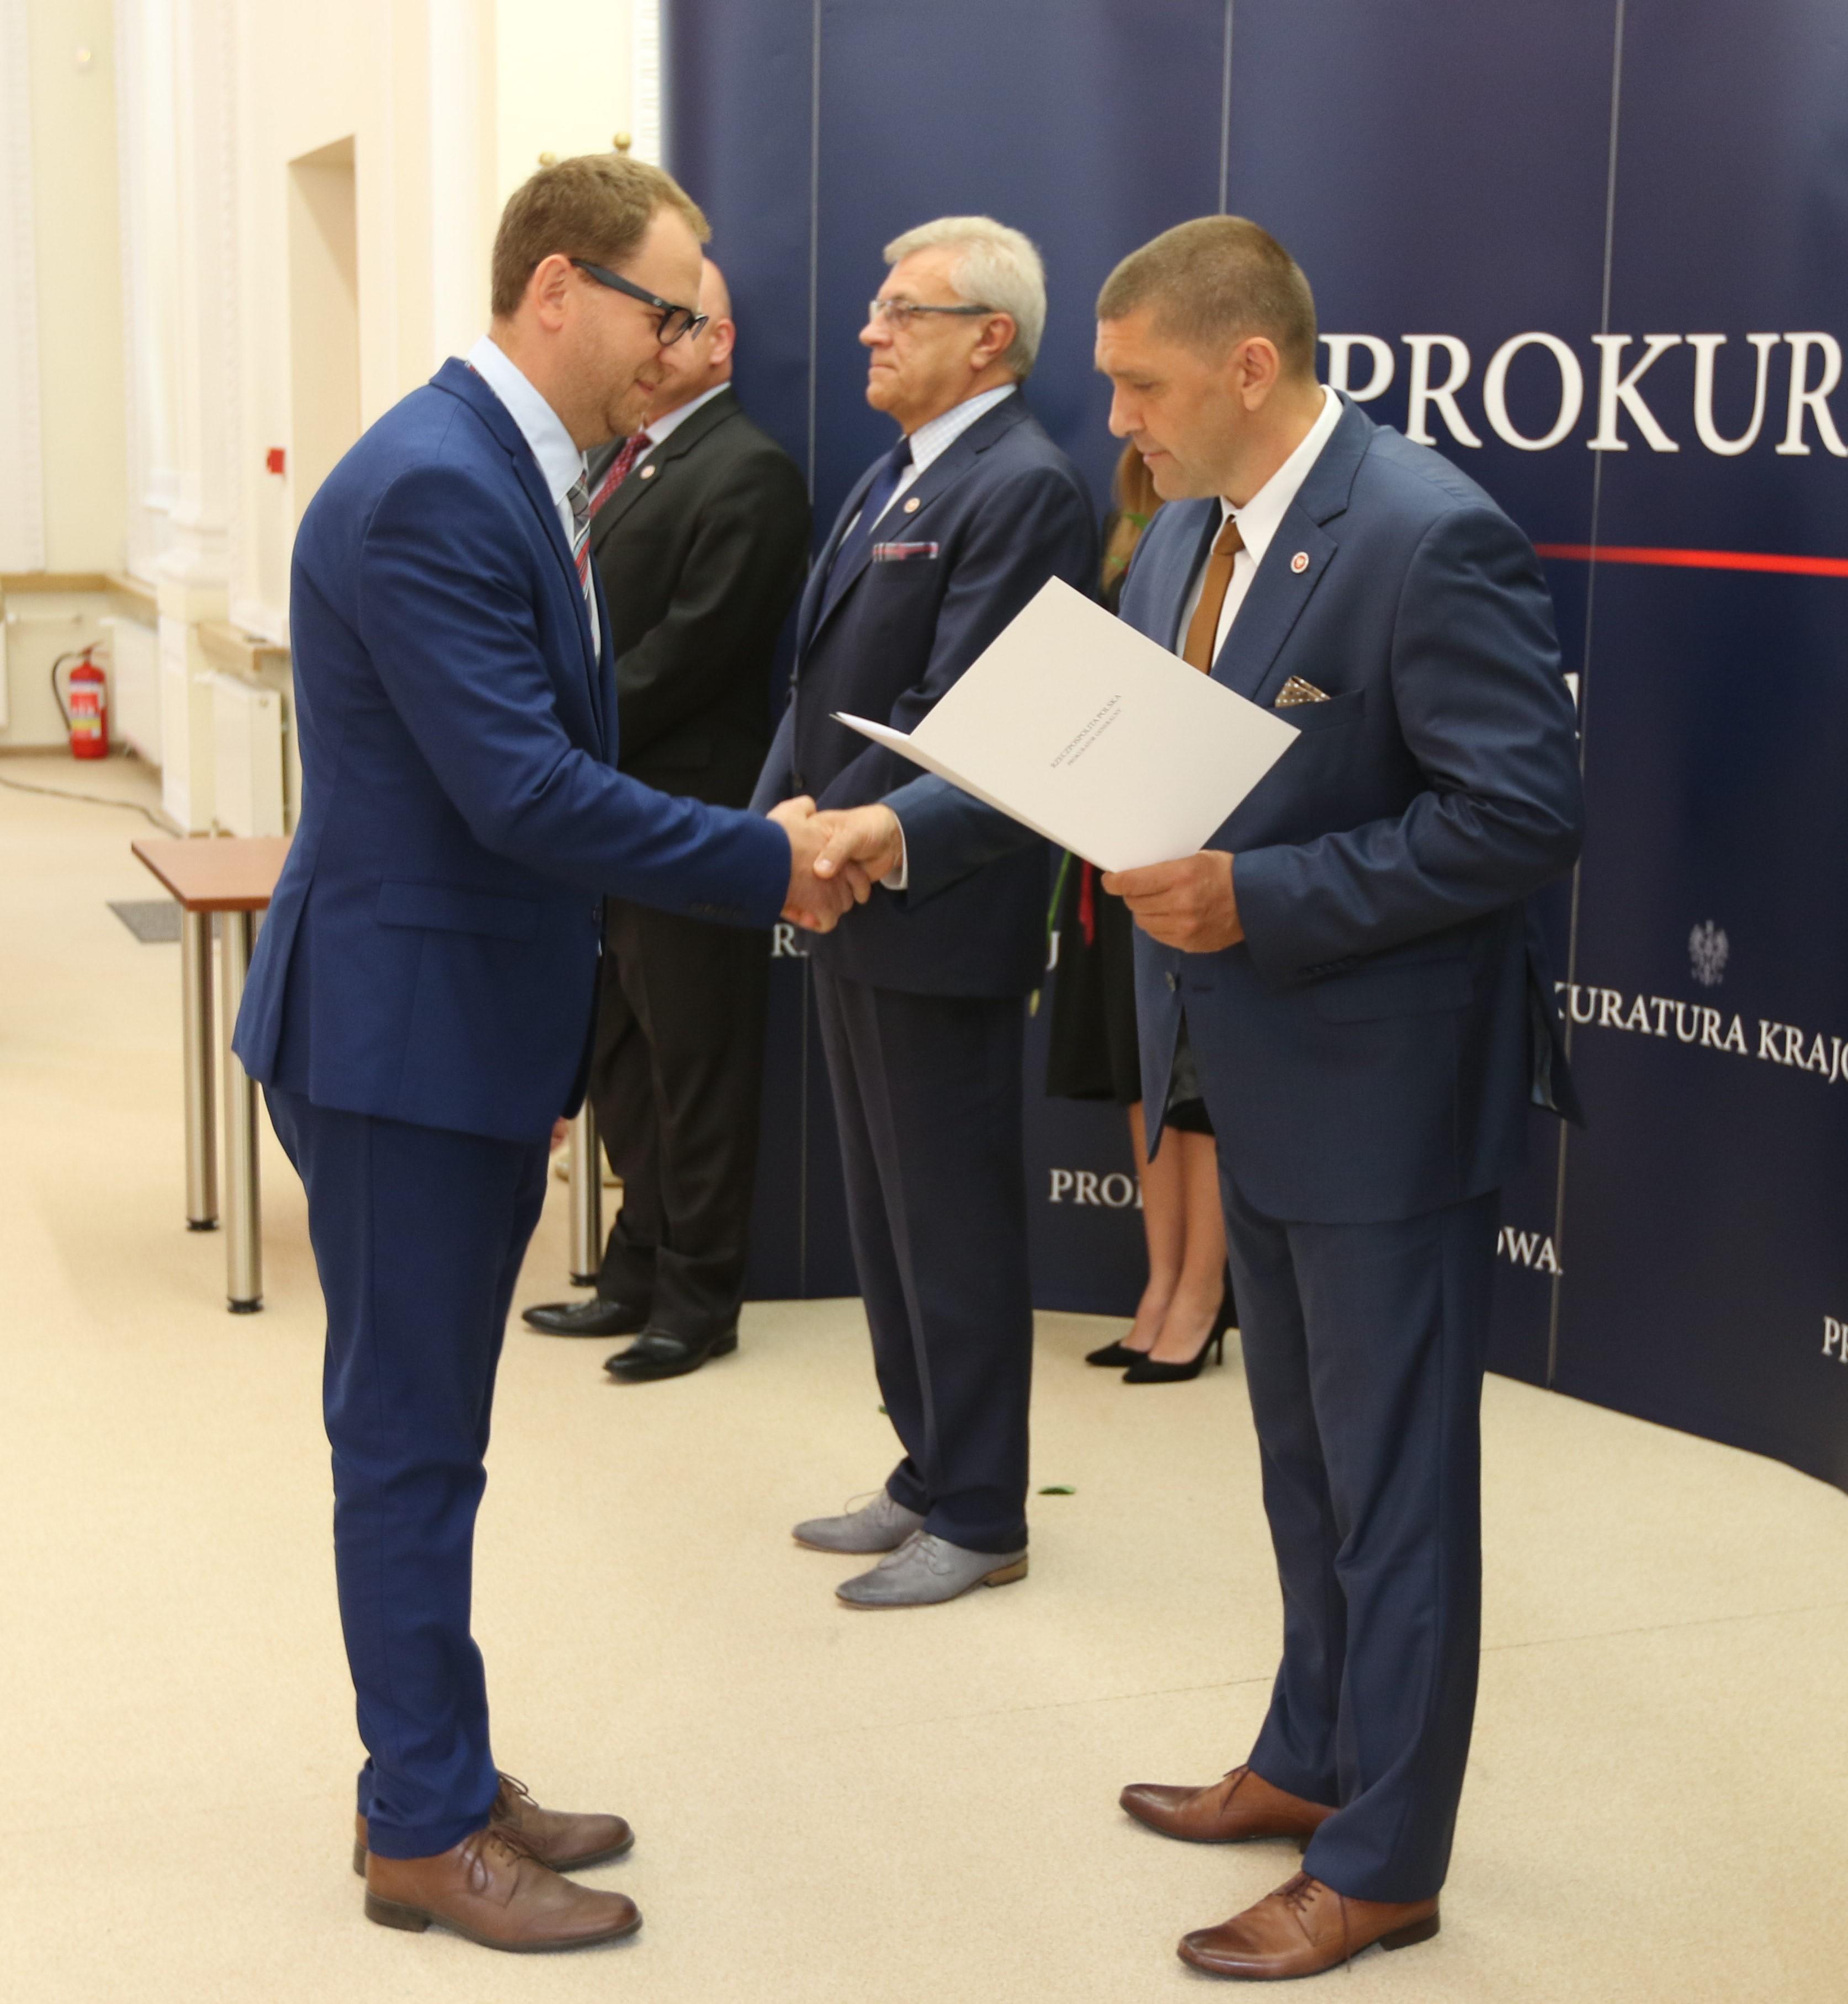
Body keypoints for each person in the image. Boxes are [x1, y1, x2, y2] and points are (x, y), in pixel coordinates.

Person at [232, 154, 858, 1955]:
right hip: (399, 1041)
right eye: (667, 310)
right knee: (409, 1444)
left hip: (454, 1026)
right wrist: (764, 857)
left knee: (435, 1435)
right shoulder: (437, 484)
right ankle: (421, 1831)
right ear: (558, 289)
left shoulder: (520, 467)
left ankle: (434, 1767)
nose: (687, 345)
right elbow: (522, 791)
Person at [1092, 217, 1584, 1979]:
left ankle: (1383, 1862)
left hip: (1383, 1093)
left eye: (1141, 386)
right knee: (1301, 1464)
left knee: (1395, 1493)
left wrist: (1264, 898)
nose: (1118, 422)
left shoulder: (1427, 533)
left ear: (1249, 367)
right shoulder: (1177, 534)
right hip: (1243, 1065)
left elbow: (1521, 815)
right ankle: (1310, 1756)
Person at [751, 216, 1097, 1607]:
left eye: (905, 311)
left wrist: (831, 845)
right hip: (846, 889)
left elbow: (960, 717)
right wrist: (775, 830)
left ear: (990, 338)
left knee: (951, 1222)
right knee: (887, 1219)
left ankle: (983, 1508)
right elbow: (815, 688)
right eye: (880, 306)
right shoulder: (896, 470)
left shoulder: (1026, 487)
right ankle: (924, 1467)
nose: (871, 329)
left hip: (934, 904)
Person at [519, 260, 812, 1380]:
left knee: (698, 1070)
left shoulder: (750, 470)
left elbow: (697, 649)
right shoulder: (618, 458)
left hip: (691, 813)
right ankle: (632, 1272)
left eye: (671, 324)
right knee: (624, 1061)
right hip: (607, 813)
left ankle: (699, 1301)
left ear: (719, 343)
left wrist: (558, 736)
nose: (650, 344)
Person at [1045, 442, 1233, 1382]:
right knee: (1140, 1068)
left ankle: (1203, 1292)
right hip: (1112, 841)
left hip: (1201, 846)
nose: (1132, 422)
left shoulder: (1238, 539)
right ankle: (1160, 1282)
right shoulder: (1133, 528)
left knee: (1199, 1084)